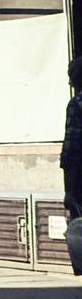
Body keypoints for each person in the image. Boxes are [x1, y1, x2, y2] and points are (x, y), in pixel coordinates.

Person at [64, 56, 82, 220]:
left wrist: (69, 191)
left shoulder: (77, 104)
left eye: (72, 77)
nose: (70, 83)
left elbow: (71, 150)